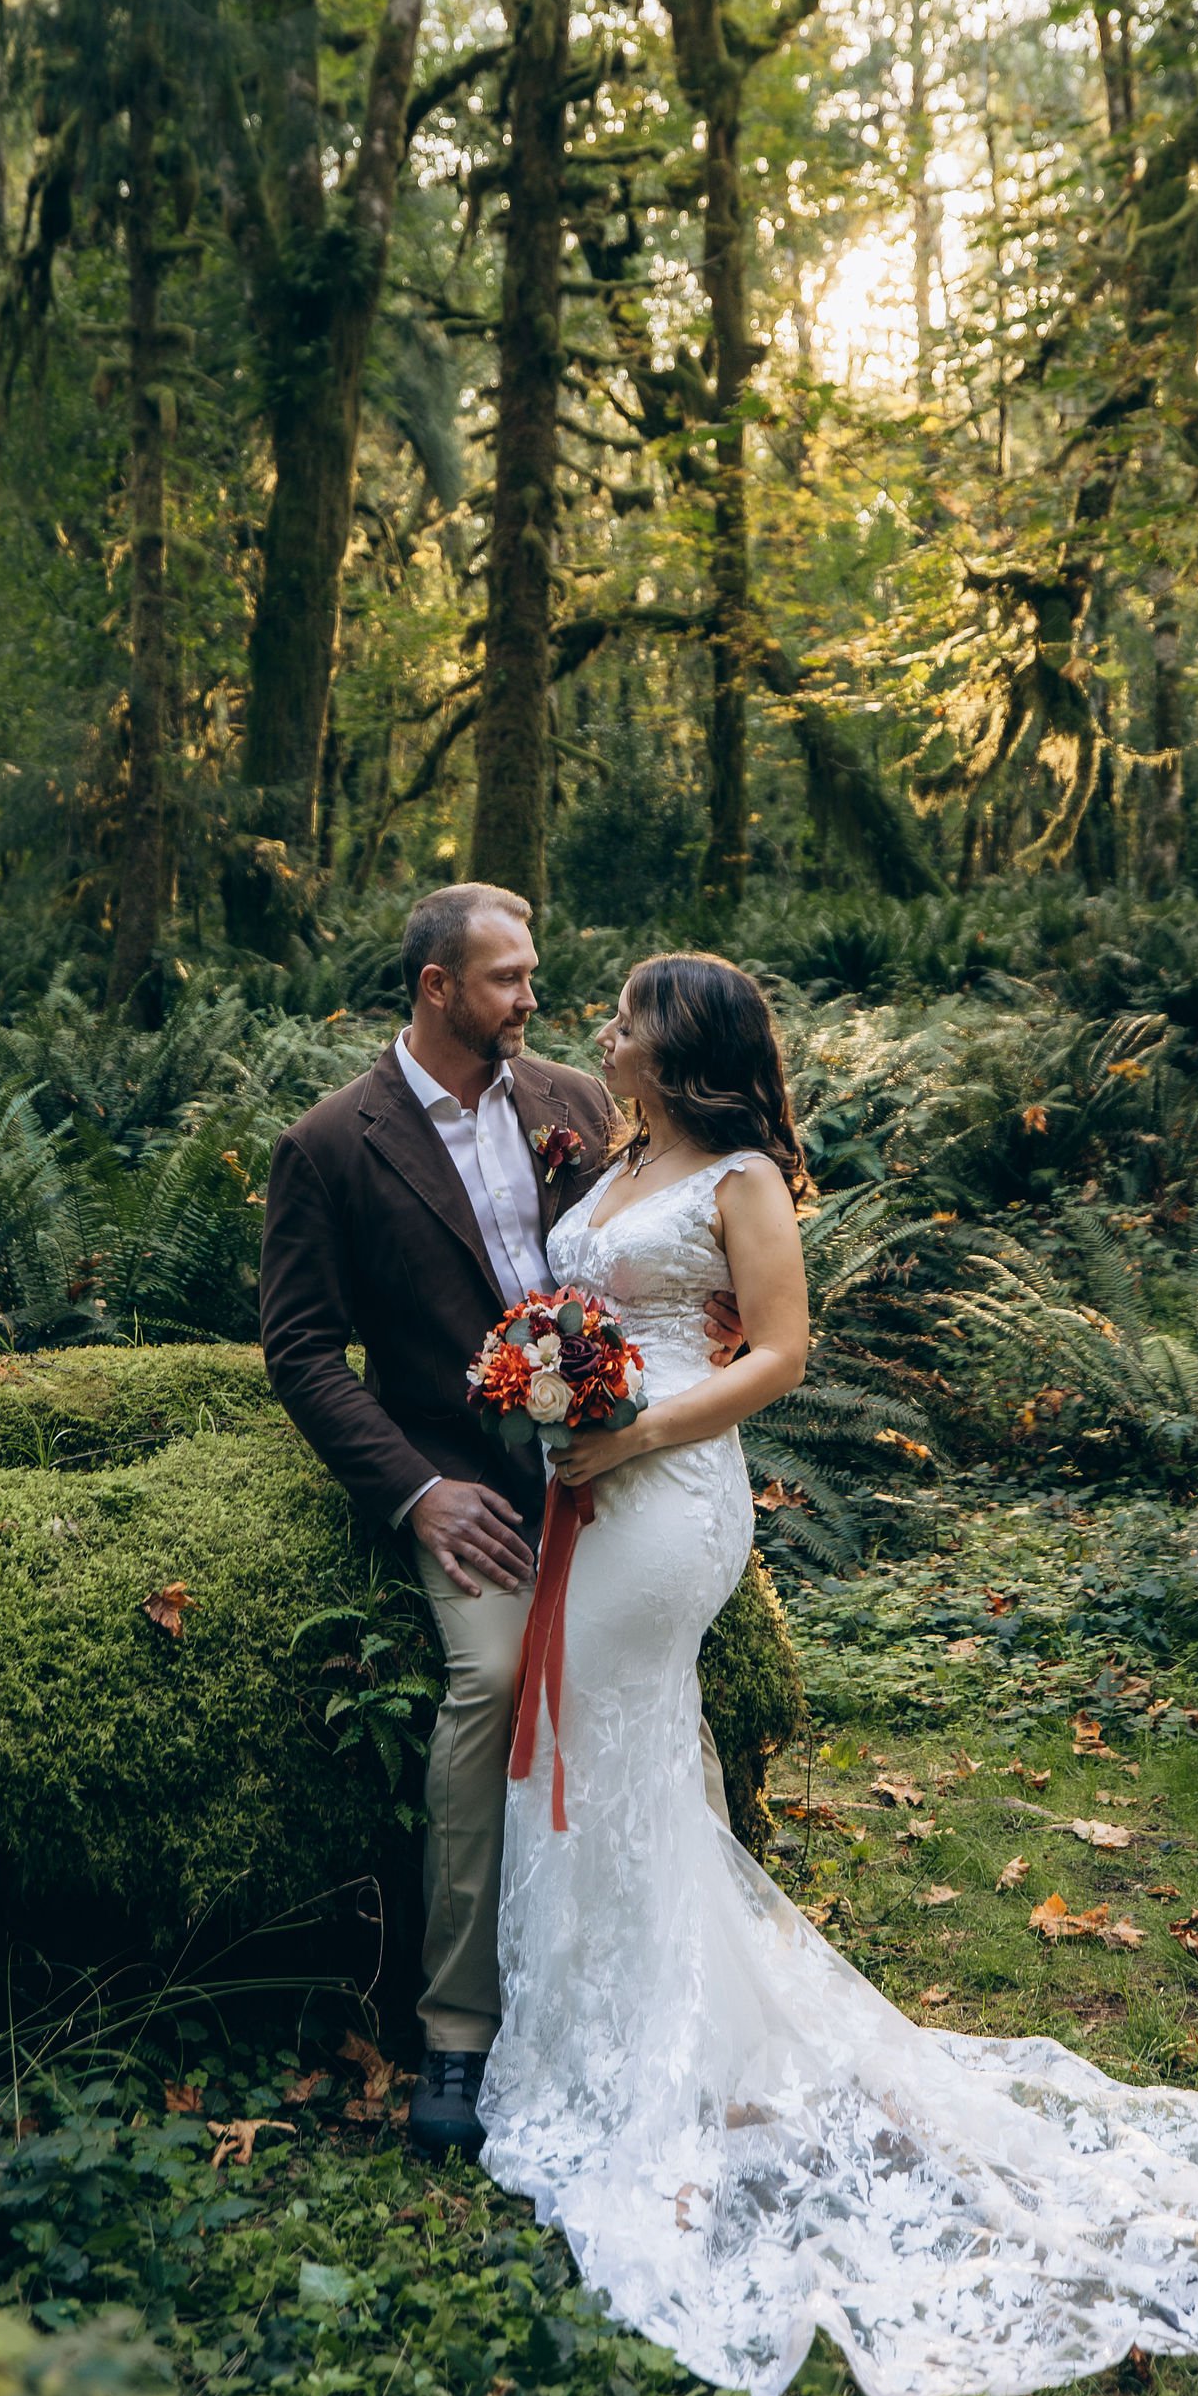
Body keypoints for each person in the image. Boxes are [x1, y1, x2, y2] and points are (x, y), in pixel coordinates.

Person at [475, 949, 1198, 2396]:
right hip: (598, 1484)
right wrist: (553, 1386)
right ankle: (619, 2026)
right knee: (595, 1742)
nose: (602, 1033)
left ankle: (648, 2051)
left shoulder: (739, 1178)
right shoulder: (622, 1164)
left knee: (610, 1736)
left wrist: (630, 1433)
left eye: (625, 1017)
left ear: (680, 1047)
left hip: (673, 1494)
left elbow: (786, 1358)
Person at [258, 883, 738, 2160]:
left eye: (530, 975)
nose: (534, 999)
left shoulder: (576, 1103)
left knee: (644, 1678)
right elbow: (300, 1352)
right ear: (435, 989)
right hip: (459, 1481)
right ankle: (458, 2036)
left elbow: (681, 1246)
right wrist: (417, 1493)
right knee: (488, 1689)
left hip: (618, 1465)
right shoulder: (327, 1145)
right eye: (507, 980)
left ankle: (679, 1985)